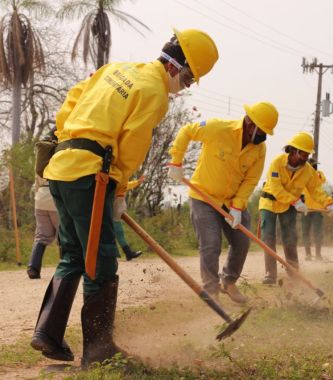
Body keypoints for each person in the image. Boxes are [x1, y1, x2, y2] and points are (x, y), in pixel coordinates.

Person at [30, 28, 218, 368]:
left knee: (73, 254)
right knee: (101, 260)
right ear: (176, 67)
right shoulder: (153, 91)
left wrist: (62, 138)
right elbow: (132, 145)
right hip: (91, 174)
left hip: (61, 167)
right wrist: (119, 187)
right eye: (189, 79)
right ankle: (100, 352)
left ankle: (47, 334)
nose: (185, 88)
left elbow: (72, 100)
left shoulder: (115, 69)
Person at [168, 102, 279, 303]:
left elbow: (251, 179)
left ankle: (229, 282)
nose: (263, 136)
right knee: (211, 244)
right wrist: (176, 161)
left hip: (232, 202)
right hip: (204, 197)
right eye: (261, 130)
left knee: (242, 242)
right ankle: (211, 290)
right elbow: (186, 131)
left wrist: (238, 206)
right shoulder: (219, 128)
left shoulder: (259, 149)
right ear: (250, 123)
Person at [259, 132, 333, 285]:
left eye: (307, 155)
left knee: (290, 237)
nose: (305, 158)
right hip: (269, 203)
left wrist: (328, 203)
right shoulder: (276, 163)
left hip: (289, 205)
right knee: (268, 237)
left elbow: (316, 190)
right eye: (303, 154)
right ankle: (270, 273)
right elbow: (276, 189)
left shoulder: (308, 170)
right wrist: (295, 201)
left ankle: (294, 272)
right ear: (293, 150)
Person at [27, 128, 59, 279]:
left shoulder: (41, 157)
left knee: (41, 236)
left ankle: (33, 268)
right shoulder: (59, 154)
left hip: (40, 198)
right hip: (54, 197)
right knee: (64, 236)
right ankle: (64, 271)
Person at [301, 157, 327, 261]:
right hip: (305, 208)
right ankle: (308, 254)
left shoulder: (319, 174)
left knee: (318, 232)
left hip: (317, 208)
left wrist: (313, 172)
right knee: (305, 232)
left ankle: (318, 254)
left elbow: (322, 180)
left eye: (315, 165)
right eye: (313, 165)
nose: (315, 166)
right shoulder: (302, 174)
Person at [113, 179, 144, 261]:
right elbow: (125, 185)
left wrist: (137, 182)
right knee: (117, 231)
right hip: (115, 202)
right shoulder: (116, 181)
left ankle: (127, 253)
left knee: (118, 231)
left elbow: (126, 185)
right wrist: (136, 182)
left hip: (117, 202)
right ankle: (126, 253)